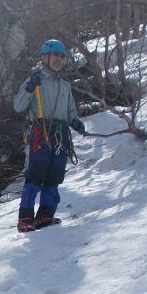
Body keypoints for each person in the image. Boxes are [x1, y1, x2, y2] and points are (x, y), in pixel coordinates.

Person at [13, 39, 88, 232]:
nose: (59, 59)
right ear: (45, 57)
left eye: (62, 56)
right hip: (41, 132)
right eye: (55, 55)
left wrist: (76, 122)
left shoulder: (65, 86)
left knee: (54, 175)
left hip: (60, 135)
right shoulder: (34, 80)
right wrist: (29, 88)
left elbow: (70, 111)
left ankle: (46, 214)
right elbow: (18, 106)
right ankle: (26, 217)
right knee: (36, 174)